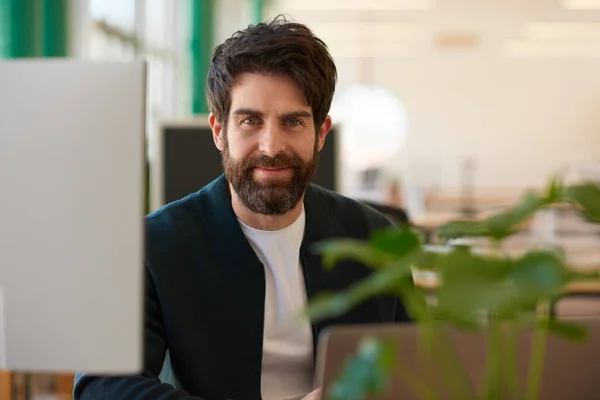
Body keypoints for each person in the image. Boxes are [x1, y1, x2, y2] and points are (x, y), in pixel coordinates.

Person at [73, 15, 411, 400]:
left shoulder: (375, 237)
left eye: (293, 122)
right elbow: (101, 386)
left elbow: (419, 370)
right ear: (219, 131)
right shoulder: (152, 244)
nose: (270, 146)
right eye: (250, 120)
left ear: (320, 134)